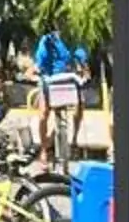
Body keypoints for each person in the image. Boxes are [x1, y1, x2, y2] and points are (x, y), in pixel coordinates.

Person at [30, 27, 88, 172]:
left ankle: (74, 139)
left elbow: (81, 58)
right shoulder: (46, 40)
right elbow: (39, 62)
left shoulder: (73, 37)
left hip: (68, 80)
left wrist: (84, 70)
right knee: (43, 114)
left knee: (81, 103)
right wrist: (37, 73)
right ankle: (44, 150)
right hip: (49, 80)